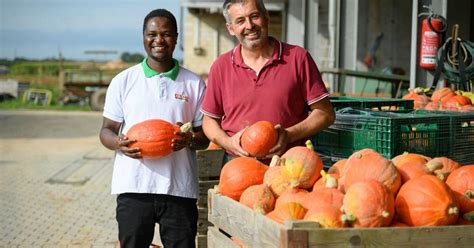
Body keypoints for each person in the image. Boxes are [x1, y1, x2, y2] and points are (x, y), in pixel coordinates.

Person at [99, 9, 208, 248]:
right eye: (153, 34)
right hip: (133, 188)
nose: (159, 40)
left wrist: (188, 139)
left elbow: (204, 138)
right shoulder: (123, 81)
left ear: (176, 38)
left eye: (166, 34)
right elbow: (106, 130)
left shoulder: (194, 83)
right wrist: (118, 143)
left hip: (179, 189)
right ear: (143, 37)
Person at [201, 0, 335, 161]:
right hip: (239, 166)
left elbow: (325, 113)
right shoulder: (221, 66)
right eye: (240, 20)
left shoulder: (298, 58)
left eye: (255, 16)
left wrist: (290, 135)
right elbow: (209, 120)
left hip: (289, 164)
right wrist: (227, 142)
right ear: (231, 28)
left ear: (266, 17)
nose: (250, 26)